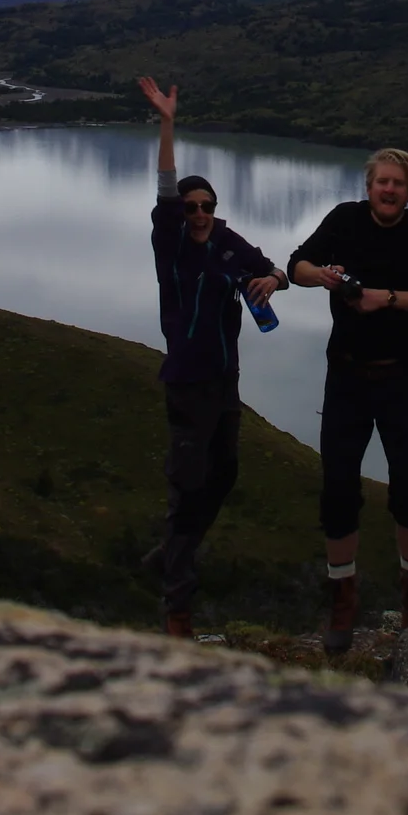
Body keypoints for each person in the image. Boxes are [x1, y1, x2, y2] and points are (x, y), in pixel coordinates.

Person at [288, 147, 408, 654]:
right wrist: (324, 277)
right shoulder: (344, 220)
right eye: (381, 182)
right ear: (369, 186)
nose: (389, 190)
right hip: (346, 378)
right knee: (338, 488)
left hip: (401, 376)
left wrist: (384, 297)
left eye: (398, 184)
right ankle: (343, 599)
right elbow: (297, 264)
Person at [138, 75, 287, 639]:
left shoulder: (227, 242)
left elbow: (270, 265)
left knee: (223, 477)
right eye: (192, 206)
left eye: (206, 206)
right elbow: (165, 188)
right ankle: (179, 607)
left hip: (225, 382)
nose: (198, 213)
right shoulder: (172, 245)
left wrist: (271, 279)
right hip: (186, 384)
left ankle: (169, 556)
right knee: (187, 488)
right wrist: (168, 123)